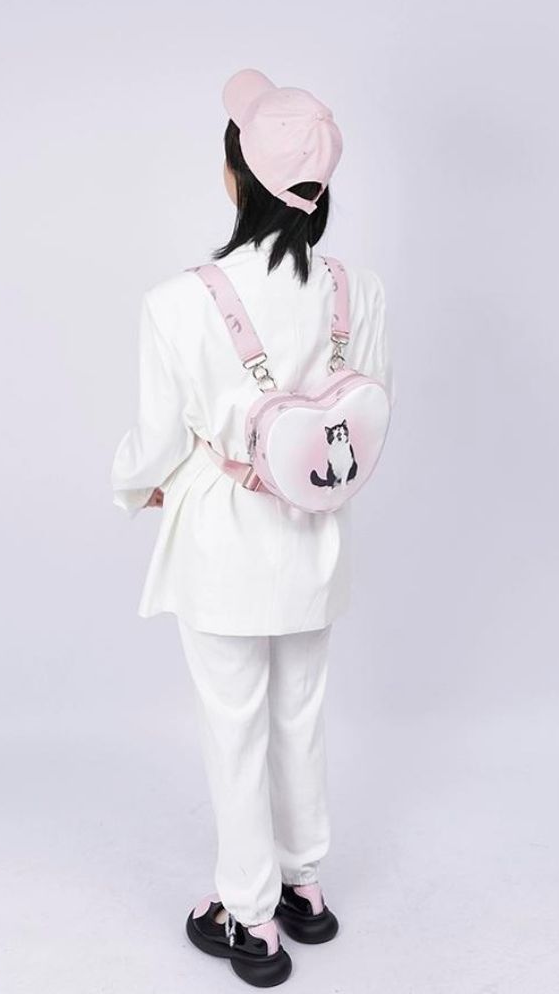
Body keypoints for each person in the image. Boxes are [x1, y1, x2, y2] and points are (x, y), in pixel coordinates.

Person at [110, 67, 395, 988]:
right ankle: (306, 885)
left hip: (223, 542)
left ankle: (250, 916)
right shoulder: (357, 291)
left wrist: (136, 488)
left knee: (233, 727)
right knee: (300, 712)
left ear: (237, 176)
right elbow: (362, 418)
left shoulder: (178, 301)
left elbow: (156, 442)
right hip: (316, 537)